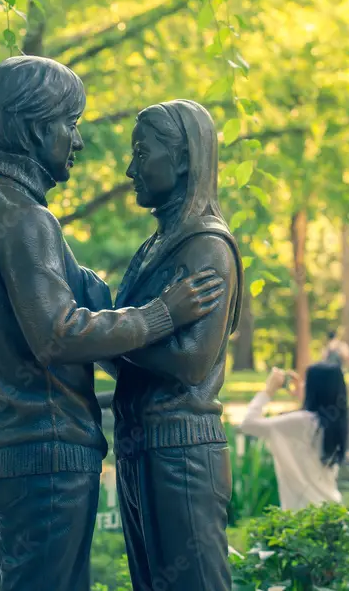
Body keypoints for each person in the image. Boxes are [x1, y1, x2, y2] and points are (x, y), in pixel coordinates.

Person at [0, 56, 225, 591]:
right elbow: (59, 333)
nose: (78, 141)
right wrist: (160, 314)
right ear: (33, 127)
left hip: (15, 448)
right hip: (45, 450)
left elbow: (50, 306)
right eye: (69, 124)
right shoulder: (26, 217)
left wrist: (90, 287)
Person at [110, 100, 241, 591]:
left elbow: (190, 361)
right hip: (140, 443)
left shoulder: (207, 246)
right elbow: (128, 341)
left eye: (142, 154)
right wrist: (122, 332)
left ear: (184, 158)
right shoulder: (154, 247)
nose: (130, 169)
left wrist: (114, 337)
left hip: (182, 453)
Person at [238, 364, 347, 510]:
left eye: (306, 383)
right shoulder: (335, 423)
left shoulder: (301, 422)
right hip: (331, 509)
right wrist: (303, 395)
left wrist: (269, 390)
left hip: (305, 516)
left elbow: (248, 424)